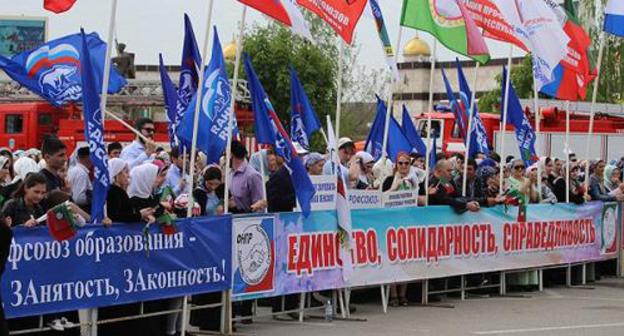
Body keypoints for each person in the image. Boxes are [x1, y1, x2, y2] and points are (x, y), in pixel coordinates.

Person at [228, 141, 265, 324]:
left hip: (247, 223)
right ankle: (233, 309)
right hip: (232, 223)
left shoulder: (252, 175)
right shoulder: (230, 173)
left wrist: (244, 208)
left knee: (247, 266)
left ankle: (246, 310)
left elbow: (260, 203)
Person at [106, 158, 155, 223]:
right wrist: (140, 215)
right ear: (117, 174)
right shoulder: (114, 192)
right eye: (126, 172)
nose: (128, 176)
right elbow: (115, 217)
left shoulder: (119, 191)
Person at [67, 147, 92, 211]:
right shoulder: (82, 173)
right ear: (89, 158)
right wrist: (93, 200)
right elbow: (78, 198)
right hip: (80, 209)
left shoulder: (73, 170)